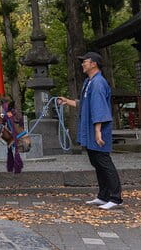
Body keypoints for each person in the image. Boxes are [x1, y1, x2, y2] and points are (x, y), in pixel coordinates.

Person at [58, 52, 123, 210]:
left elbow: (99, 108)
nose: (82, 64)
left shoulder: (99, 83)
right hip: (92, 128)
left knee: (103, 161)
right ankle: (103, 196)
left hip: (98, 130)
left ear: (93, 64)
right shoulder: (89, 82)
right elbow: (86, 104)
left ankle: (115, 198)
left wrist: (98, 131)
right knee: (96, 162)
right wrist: (68, 102)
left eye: (85, 62)